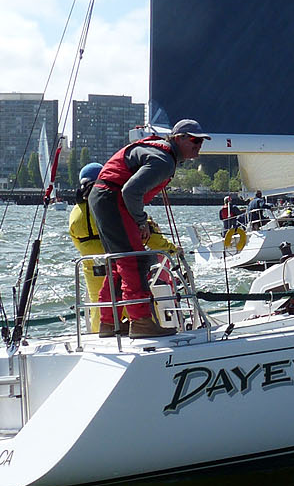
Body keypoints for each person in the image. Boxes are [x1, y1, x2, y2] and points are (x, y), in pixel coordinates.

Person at [88, 118, 206, 338]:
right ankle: (141, 322)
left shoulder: (159, 153)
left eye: (201, 142)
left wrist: (138, 219)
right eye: (194, 140)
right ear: (179, 138)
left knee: (119, 262)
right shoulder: (163, 161)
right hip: (113, 198)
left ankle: (110, 322)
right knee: (133, 261)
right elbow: (130, 191)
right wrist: (141, 221)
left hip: (104, 197)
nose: (199, 145)